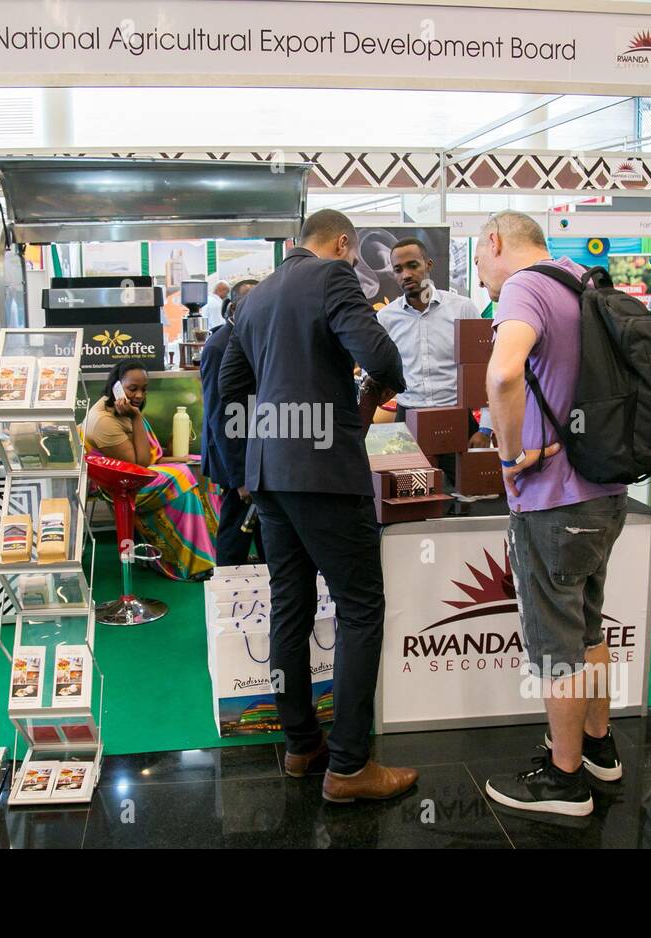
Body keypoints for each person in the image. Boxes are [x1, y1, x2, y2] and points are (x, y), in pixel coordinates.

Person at [219, 208, 417, 803]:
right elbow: (380, 358)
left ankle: (302, 745)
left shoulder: (254, 299)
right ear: (342, 243)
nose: (355, 265)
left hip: (270, 476)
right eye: (355, 256)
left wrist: (253, 462)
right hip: (326, 473)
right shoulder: (332, 277)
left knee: (291, 606)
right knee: (360, 610)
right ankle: (351, 765)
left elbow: (230, 390)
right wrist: (378, 386)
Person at [476, 210, 629, 817]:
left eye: (480, 259)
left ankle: (565, 782)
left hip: (553, 500)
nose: (484, 277)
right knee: (588, 629)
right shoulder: (580, 280)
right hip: (605, 492)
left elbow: (504, 370)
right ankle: (597, 748)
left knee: (557, 644)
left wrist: (511, 454)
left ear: (494, 242)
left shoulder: (524, 286)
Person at [82, 359, 220, 581]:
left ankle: (215, 551)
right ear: (116, 387)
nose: (139, 395)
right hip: (123, 484)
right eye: (132, 389)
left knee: (206, 468)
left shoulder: (123, 408)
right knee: (182, 476)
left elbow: (146, 454)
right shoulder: (104, 421)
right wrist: (136, 417)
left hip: (138, 471)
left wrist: (175, 453)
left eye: (144, 389)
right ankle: (192, 563)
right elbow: (139, 467)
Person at [376, 238, 493, 484]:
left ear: (428, 265)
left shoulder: (462, 309)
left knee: (468, 495)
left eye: (412, 265)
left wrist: (486, 428)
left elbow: (484, 370)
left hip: (456, 418)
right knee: (413, 497)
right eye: (398, 270)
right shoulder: (385, 318)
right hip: (409, 420)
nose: (406, 274)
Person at [200, 288, 264, 566]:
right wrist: (239, 476)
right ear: (234, 307)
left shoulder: (250, 336)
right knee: (236, 529)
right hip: (233, 453)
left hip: (253, 451)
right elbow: (219, 414)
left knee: (261, 525)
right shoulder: (219, 345)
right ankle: (227, 590)